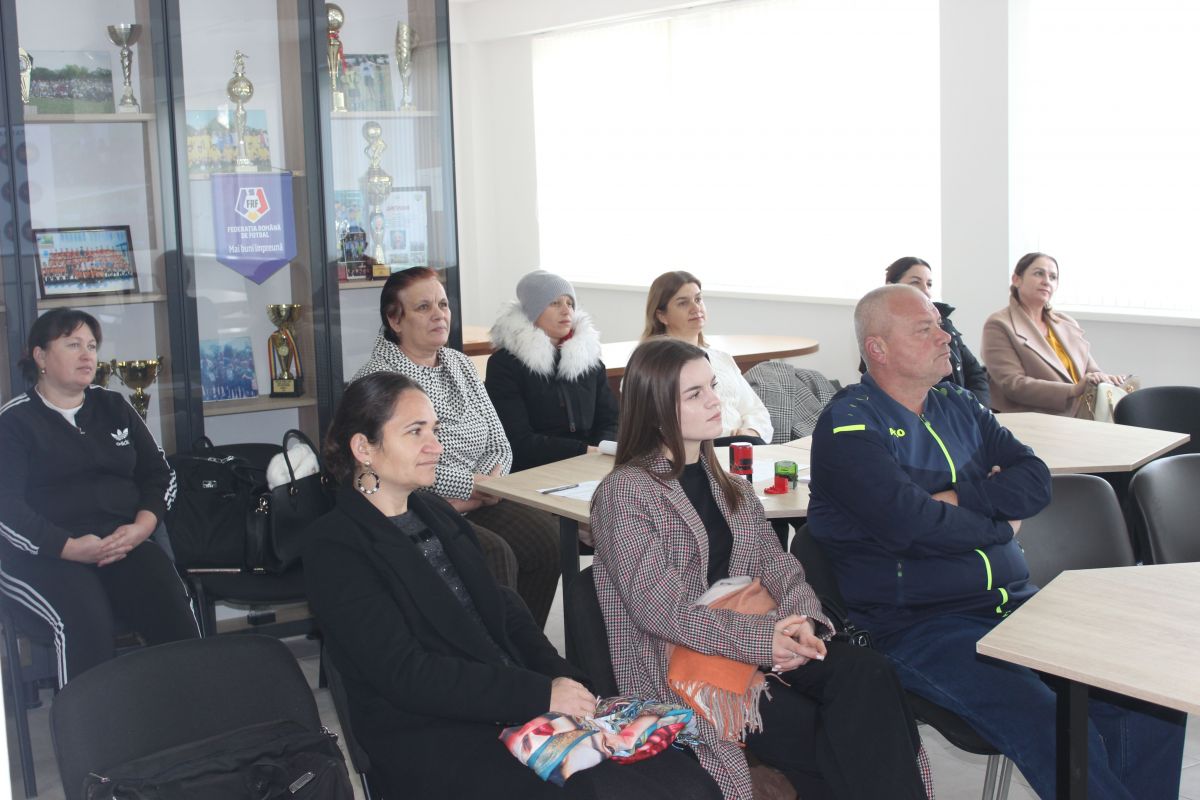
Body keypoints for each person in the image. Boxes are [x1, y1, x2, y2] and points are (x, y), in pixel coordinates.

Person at [808, 284, 1186, 800]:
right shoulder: (850, 425)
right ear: (879, 348)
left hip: (1016, 603)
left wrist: (958, 499)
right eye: (925, 328)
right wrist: (1001, 524)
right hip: (921, 624)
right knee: (1049, 720)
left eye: (940, 324)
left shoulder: (958, 405)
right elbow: (911, 526)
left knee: (1144, 693)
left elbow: (1034, 480)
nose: (945, 336)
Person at [304, 372, 721, 799]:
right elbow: (408, 675)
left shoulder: (434, 513)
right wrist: (538, 694)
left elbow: (504, 609)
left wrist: (563, 679)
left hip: (506, 698)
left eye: (434, 430)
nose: (436, 446)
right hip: (433, 733)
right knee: (606, 790)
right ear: (363, 448)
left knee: (681, 773)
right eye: (415, 432)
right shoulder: (335, 547)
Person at [591, 337, 929, 800]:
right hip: (681, 658)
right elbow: (661, 612)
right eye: (695, 394)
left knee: (871, 675)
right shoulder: (626, 493)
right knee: (827, 729)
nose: (715, 400)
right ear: (655, 410)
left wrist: (803, 621)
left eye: (713, 386)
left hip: (758, 630)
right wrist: (764, 639)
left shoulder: (730, 484)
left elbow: (777, 563)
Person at [0, 308, 198, 685]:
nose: (87, 355)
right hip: (44, 555)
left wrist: (141, 528)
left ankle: (191, 711)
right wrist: (68, 547)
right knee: (82, 618)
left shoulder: (113, 406)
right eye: (73, 345)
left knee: (170, 600)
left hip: (121, 542)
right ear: (40, 356)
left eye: (91, 346)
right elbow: (6, 509)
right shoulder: (14, 422)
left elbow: (160, 474)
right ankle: (89, 723)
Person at [354, 267, 557, 626]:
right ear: (395, 320)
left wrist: (488, 487)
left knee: (546, 538)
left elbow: (499, 441)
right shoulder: (378, 381)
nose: (439, 315)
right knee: (493, 554)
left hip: (481, 495)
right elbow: (406, 464)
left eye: (443, 305)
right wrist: (474, 486)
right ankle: (491, 653)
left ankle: (525, 646)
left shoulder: (460, 363)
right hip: (414, 505)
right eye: (423, 307)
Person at [486, 270, 618, 471]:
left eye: (570, 303)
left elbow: (610, 421)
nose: (566, 311)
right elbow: (517, 440)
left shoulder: (589, 361)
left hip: (593, 462)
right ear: (532, 311)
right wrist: (583, 452)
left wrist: (601, 451)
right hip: (535, 469)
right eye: (555, 303)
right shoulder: (505, 364)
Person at [982, 252, 1126, 416]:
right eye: (1039, 273)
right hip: (1034, 418)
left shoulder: (1066, 322)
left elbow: (1090, 369)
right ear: (1016, 280)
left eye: (1053, 277)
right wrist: (1072, 390)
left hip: (1083, 414)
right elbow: (1014, 384)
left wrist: (1104, 378)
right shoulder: (999, 324)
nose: (1046, 281)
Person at [642, 271, 772, 445]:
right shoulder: (651, 367)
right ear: (661, 316)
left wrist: (751, 431)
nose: (695, 308)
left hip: (744, 446)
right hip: (700, 450)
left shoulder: (722, 358)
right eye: (683, 303)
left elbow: (756, 411)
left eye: (698, 299)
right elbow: (655, 429)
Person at [858, 256, 990, 407]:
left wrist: (973, 409)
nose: (925, 290)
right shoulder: (878, 330)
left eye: (929, 284)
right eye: (915, 282)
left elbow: (975, 373)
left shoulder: (946, 326)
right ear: (890, 286)